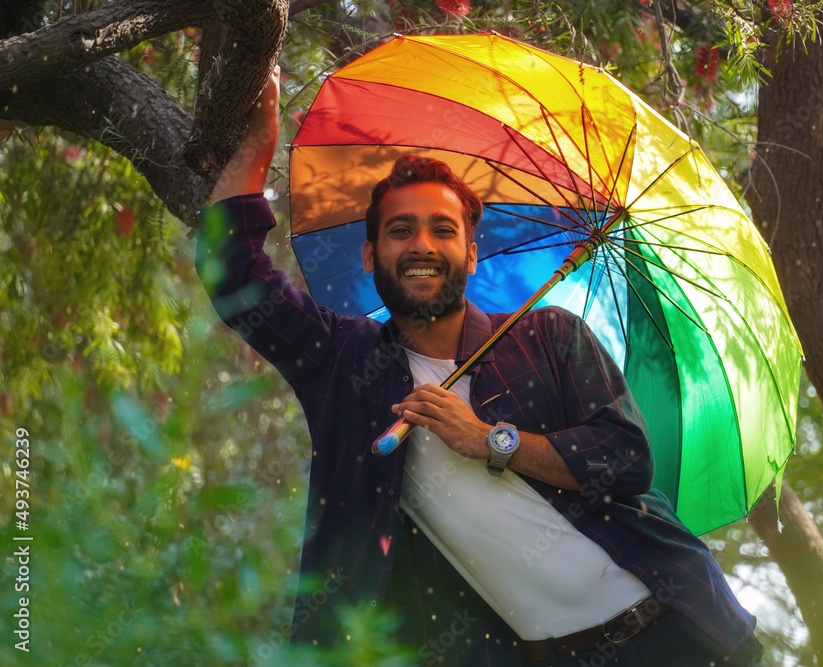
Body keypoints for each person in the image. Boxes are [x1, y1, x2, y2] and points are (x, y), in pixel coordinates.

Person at [197, 66, 765, 666]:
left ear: (470, 253)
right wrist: (260, 141)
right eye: (399, 231)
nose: (421, 245)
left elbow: (625, 458)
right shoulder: (344, 364)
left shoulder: (548, 335)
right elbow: (233, 271)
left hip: (687, 632)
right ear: (370, 255)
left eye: (443, 230)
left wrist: (490, 440)